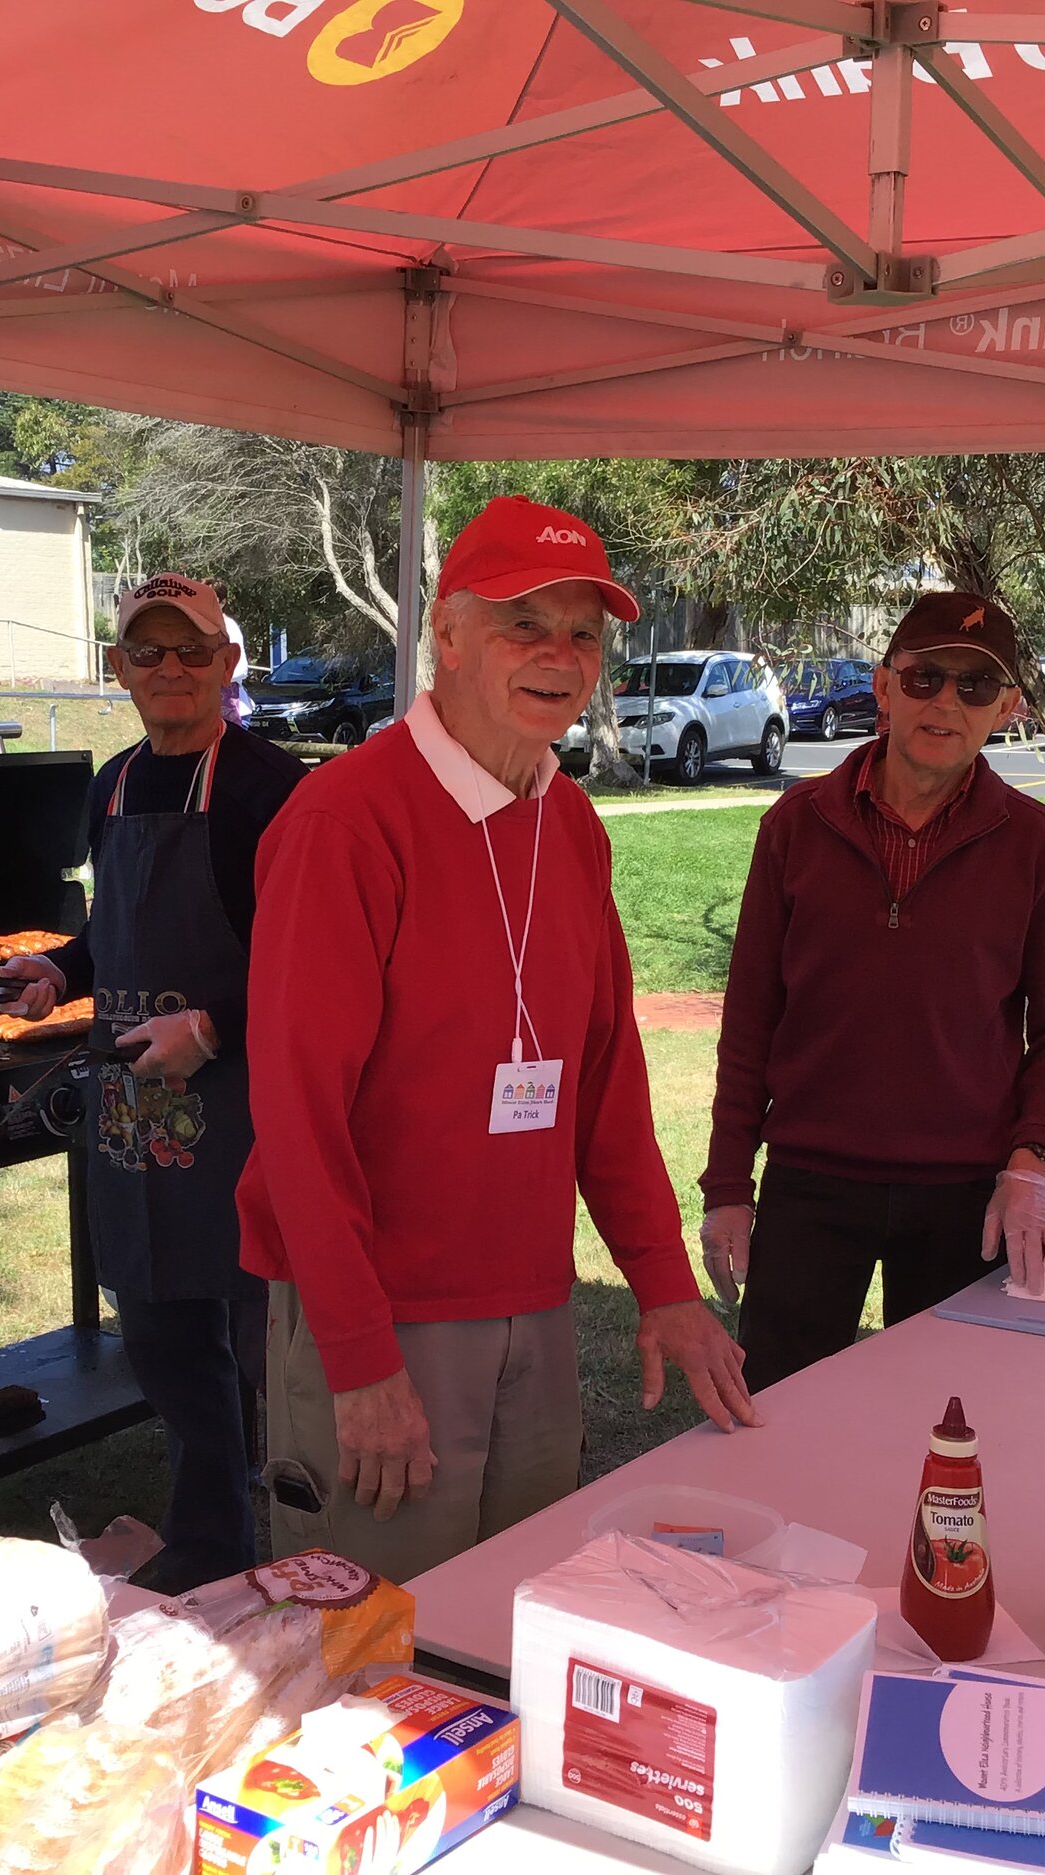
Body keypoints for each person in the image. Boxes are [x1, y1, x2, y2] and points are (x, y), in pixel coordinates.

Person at [239, 495, 757, 1583]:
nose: (559, 656)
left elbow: (603, 1079)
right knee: (371, 1650)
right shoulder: (345, 823)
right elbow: (295, 1117)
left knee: (511, 1619)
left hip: (533, 1302)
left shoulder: (564, 821)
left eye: (583, 632)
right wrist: (357, 1355)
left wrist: (662, 1285)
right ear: (450, 634)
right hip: (388, 1315)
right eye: (526, 623)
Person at [696, 592, 1045, 1395]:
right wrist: (726, 1188)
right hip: (810, 1183)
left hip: (965, 1195)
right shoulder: (795, 826)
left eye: (975, 687)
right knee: (779, 1418)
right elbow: (750, 1020)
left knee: (952, 1427)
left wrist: (1032, 1165)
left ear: (1008, 709)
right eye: (924, 678)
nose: (946, 702)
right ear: (883, 688)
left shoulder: (1039, 845)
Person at [0, 572, 306, 1594]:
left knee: (272, 1351)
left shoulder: (275, 789)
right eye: (147, 651)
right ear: (119, 669)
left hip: (252, 1110)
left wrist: (214, 1026)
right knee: (167, 1345)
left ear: (227, 664)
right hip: (136, 1115)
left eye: (191, 650)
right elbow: (111, 930)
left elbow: (321, 960)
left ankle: (312, 1553)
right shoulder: (114, 783)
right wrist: (63, 971)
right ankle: (211, 1543)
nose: (169, 669)